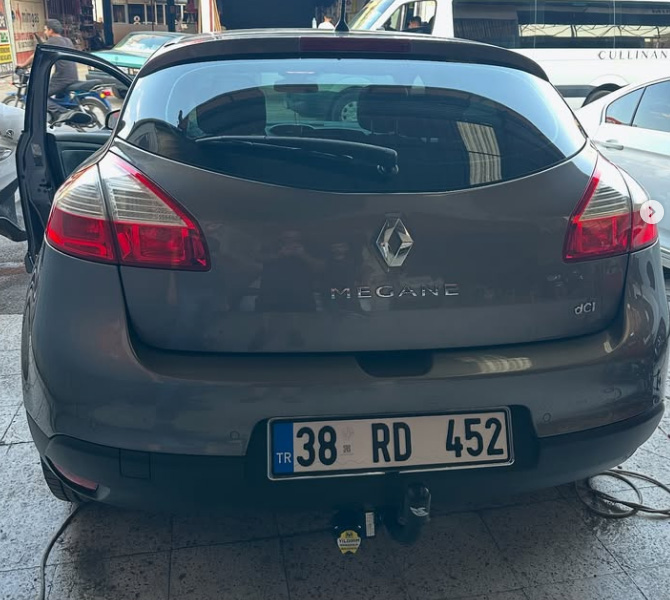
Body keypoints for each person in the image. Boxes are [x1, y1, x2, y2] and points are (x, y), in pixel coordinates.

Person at [17, 19, 78, 116]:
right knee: (56, 95)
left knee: (38, 96)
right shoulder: (68, 40)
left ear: (51, 30)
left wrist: (23, 65)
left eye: (45, 30)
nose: (45, 32)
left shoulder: (52, 41)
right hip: (73, 76)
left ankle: (62, 113)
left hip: (62, 79)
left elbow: (36, 55)